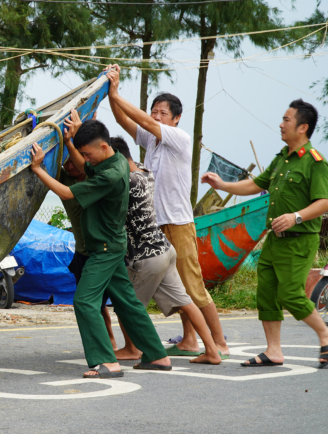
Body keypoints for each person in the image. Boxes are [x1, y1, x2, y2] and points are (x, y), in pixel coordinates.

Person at [105, 64, 230, 358]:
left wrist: (117, 91)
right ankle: (189, 340)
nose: (156, 116)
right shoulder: (153, 141)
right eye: (154, 110)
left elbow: (143, 122)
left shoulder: (179, 137)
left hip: (178, 222)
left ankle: (220, 341)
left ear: (176, 118)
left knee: (193, 286)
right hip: (156, 224)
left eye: (162, 112)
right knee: (176, 288)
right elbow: (125, 121)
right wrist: (111, 95)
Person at [30, 119, 171, 378]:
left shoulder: (110, 175)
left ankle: (107, 361)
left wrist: (39, 169)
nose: (84, 159)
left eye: (87, 153)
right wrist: (71, 143)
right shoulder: (114, 160)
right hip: (113, 244)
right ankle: (157, 355)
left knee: (84, 301)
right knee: (128, 303)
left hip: (104, 249)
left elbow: (68, 193)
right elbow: (86, 166)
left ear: (103, 146)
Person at [201, 99, 328, 368]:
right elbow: (256, 184)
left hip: (299, 241)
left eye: (287, 120)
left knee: (291, 295)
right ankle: (273, 351)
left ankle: (325, 334)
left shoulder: (315, 163)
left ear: (303, 127)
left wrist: (296, 217)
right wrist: (222, 184)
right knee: (267, 294)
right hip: (274, 240)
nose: (281, 125)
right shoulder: (282, 157)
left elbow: (324, 201)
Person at [107, 137, 221, 364]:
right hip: (164, 250)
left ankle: (133, 349)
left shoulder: (126, 182)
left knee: (126, 305)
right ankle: (212, 351)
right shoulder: (144, 172)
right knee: (186, 302)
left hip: (145, 257)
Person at [61, 110, 117, 351]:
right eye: (67, 161)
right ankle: (105, 340)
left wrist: (83, 126)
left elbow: (91, 153)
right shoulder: (63, 178)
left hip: (102, 250)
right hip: (83, 251)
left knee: (97, 301)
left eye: (77, 159)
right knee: (95, 304)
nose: (70, 164)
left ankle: (109, 343)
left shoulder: (96, 179)